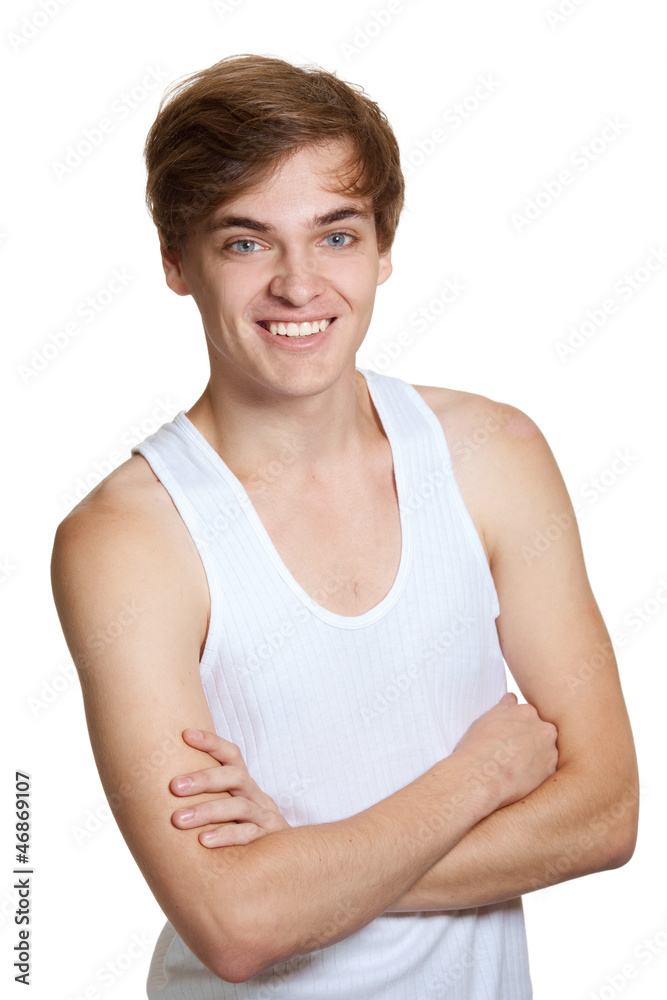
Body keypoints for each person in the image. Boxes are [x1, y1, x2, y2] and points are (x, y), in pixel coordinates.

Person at [50, 54, 639, 998]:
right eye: (245, 242)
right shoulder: (128, 540)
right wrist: (481, 776)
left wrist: (302, 866)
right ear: (175, 260)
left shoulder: (492, 453)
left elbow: (605, 813)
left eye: (335, 235)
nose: (297, 284)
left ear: (383, 247)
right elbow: (237, 925)